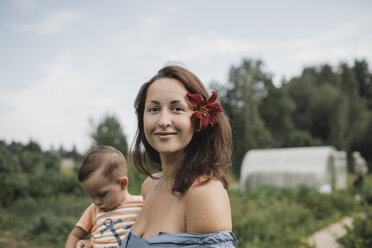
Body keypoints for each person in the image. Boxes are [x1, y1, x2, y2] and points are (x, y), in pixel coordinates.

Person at [121, 65, 238, 247]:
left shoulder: (204, 193)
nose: (163, 121)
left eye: (177, 108)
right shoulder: (149, 186)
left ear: (200, 119)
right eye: (153, 109)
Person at [65, 145, 143, 248]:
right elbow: (74, 235)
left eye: (101, 195)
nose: (96, 202)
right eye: (91, 197)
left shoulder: (142, 204)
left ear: (122, 184)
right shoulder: (93, 210)